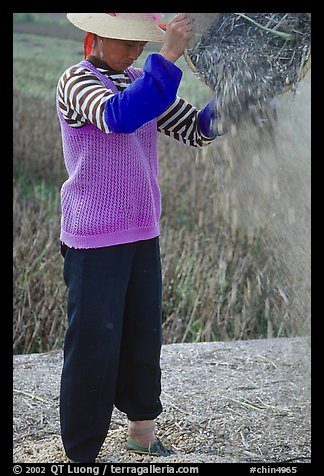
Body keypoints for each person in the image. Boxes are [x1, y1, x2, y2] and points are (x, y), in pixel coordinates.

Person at [57, 12, 222, 463]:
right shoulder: (77, 81)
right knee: (93, 344)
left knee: (142, 337)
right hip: (94, 238)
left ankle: (142, 432)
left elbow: (194, 130)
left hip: (143, 231)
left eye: (141, 44)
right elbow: (120, 116)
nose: (136, 52)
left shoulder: (137, 78)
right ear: (96, 37)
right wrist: (169, 54)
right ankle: (82, 451)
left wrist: (238, 96)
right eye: (127, 42)